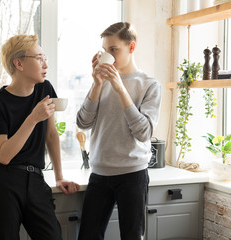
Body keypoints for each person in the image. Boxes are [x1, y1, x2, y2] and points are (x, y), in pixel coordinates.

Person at [0, 34, 80, 240]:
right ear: (18, 63)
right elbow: (3, 156)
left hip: (35, 178)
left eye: (45, 57)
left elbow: (51, 134)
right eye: (38, 58)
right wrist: (33, 118)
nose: (45, 63)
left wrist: (59, 175)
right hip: (4, 180)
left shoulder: (45, 89)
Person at [76, 22, 162, 240]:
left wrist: (120, 89)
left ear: (131, 47)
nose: (108, 55)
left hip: (132, 174)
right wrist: (96, 84)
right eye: (104, 50)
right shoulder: (100, 81)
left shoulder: (150, 85)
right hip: (100, 172)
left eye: (114, 50)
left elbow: (144, 133)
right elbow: (83, 122)